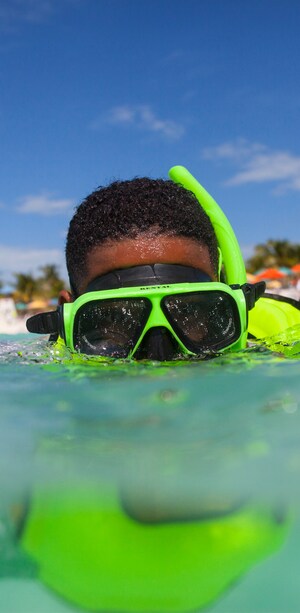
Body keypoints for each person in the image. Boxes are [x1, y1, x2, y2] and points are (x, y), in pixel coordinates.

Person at [26, 166, 300, 360]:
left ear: (231, 300)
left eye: (192, 313)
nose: (159, 359)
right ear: (66, 316)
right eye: (116, 320)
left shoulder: (287, 332)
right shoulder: (42, 362)